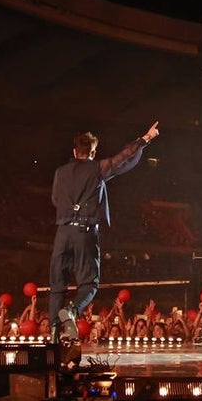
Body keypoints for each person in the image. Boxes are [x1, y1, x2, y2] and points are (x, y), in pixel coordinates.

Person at [48, 121, 160, 342]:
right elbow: (123, 158)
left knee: (57, 285)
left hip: (62, 233)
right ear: (93, 152)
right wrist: (145, 138)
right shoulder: (97, 169)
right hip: (84, 232)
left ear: (74, 151)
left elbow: (54, 199)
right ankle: (71, 311)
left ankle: (53, 334)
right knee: (89, 283)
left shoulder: (60, 172)